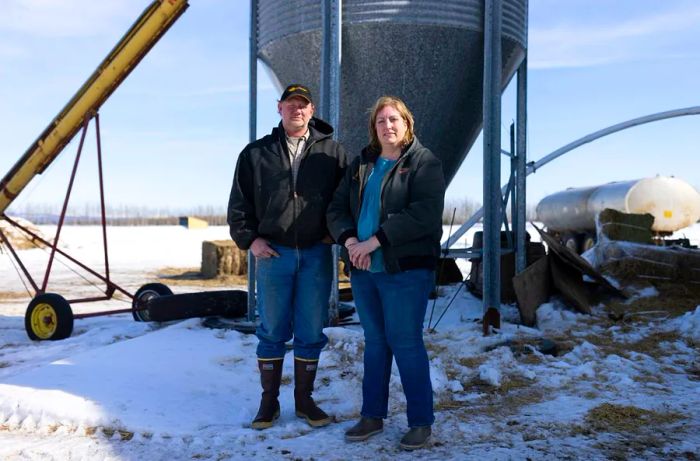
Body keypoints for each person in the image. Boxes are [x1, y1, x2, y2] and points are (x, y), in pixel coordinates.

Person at [327, 96, 445, 450]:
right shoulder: (362, 165)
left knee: (405, 342)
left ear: (407, 124)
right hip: (364, 270)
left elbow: (423, 214)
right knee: (375, 343)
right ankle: (372, 415)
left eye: (394, 119)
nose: (387, 126)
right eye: (381, 121)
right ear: (374, 129)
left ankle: (421, 422)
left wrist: (375, 241)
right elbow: (336, 209)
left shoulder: (424, 163)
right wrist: (350, 241)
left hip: (404, 270)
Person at [228, 83, 347, 430]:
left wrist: (331, 235)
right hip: (273, 254)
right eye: (290, 103)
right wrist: (250, 240)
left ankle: (305, 400)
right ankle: (268, 403)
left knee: (311, 328)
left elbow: (345, 201)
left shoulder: (333, 154)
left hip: (315, 253)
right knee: (272, 328)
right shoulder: (255, 154)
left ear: (312, 111)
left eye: (303, 104)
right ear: (279, 108)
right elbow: (239, 205)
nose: (297, 109)